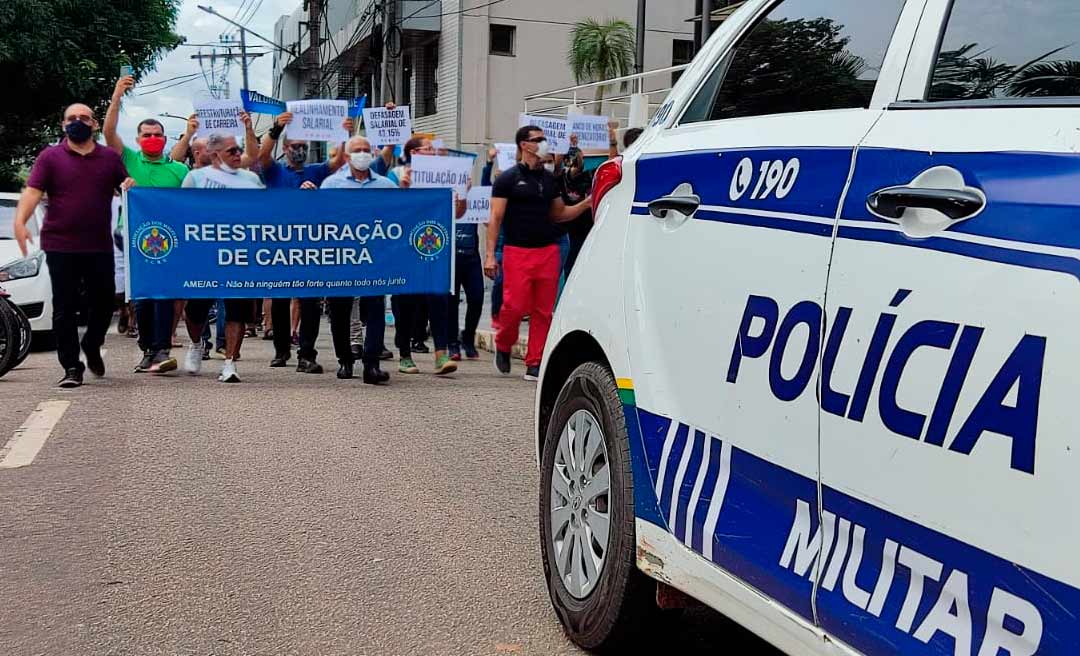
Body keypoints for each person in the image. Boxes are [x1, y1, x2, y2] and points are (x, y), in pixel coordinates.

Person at [13, 103, 135, 388]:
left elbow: (126, 186)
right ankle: (71, 366)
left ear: (94, 124)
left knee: (104, 303)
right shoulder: (50, 157)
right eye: (71, 118)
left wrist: (129, 183)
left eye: (83, 118)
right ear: (63, 125)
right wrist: (20, 221)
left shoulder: (108, 158)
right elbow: (33, 191)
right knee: (64, 307)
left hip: (99, 245)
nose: (77, 122)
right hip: (60, 244)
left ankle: (92, 344)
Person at [484, 125, 591, 381]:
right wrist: (489, 255)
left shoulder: (549, 180)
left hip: (547, 251)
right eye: (538, 139)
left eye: (544, 139)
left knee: (543, 310)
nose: (543, 143)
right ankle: (504, 342)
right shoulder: (507, 179)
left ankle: (535, 362)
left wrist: (586, 203)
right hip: (517, 251)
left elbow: (559, 214)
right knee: (515, 306)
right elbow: (496, 218)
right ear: (524, 145)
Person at [104, 75, 192, 375]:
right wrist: (117, 95)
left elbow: (195, 203)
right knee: (142, 296)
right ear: (139, 139)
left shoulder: (179, 170)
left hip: (169, 242)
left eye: (157, 134)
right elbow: (108, 132)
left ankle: (162, 348)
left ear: (165, 139)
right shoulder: (128, 160)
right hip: (132, 238)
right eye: (147, 134)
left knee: (164, 294)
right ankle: (148, 349)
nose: (152, 138)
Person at [257, 110, 353, 372]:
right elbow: (262, 156)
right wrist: (276, 129)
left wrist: (343, 134)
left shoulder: (316, 171)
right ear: (286, 148)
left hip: (310, 246)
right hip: (280, 243)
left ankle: (307, 354)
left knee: (309, 299)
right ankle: (280, 350)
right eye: (294, 146)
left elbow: (337, 161)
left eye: (303, 146)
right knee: (279, 298)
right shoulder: (275, 172)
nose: (299, 150)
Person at [180, 131, 264, 383]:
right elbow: (181, 212)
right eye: (232, 151)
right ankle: (196, 344)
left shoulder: (251, 179)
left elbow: (268, 211)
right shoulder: (195, 178)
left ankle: (230, 363)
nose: (239, 154)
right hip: (204, 256)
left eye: (239, 150)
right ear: (215, 155)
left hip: (239, 255)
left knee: (236, 311)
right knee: (195, 310)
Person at [319, 135, 395, 384]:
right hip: (341, 257)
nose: (362, 154)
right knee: (339, 311)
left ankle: (371, 365)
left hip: (375, 257)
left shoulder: (385, 186)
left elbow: (400, 215)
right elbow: (319, 220)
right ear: (348, 155)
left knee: (374, 307)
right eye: (357, 150)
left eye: (366, 150)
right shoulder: (331, 184)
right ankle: (345, 360)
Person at [387, 136, 461, 376]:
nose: (432, 152)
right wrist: (404, 190)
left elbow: (458, 213)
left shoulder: (445, 176)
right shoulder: (397, 175)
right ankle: (405, 354)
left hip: (434, 247)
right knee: (405, 302)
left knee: (439, 297)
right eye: (427, 148)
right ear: (412, 152)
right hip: (404, 248)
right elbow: (390, 210)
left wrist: (462, 195)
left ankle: (441, 354)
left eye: (432, 148)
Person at [447, 150, 493, 361]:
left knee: (476, 298)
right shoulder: (444, 200)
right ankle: (452, 344)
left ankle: (468, 337)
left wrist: (489, 164)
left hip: (471, 258)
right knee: (451, 301)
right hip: (451, 260)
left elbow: (486, 188)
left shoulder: (475, 197)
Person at [558, 146, 593, 278]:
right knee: (571, 270)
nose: (579, 163)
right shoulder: (562, 179)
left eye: (581, 159)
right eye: (576, 159)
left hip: (587, 231)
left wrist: (612, 143)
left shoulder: (588, 177)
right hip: (570, 234)